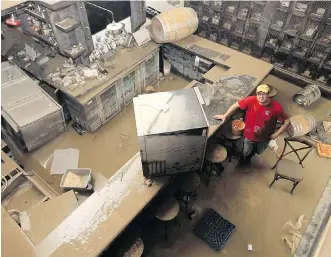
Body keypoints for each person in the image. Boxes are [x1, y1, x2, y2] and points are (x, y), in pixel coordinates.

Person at [214, 84, 290, 166]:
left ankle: (251, 156)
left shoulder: (276, 107)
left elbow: (287, 122)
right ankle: (242, 164)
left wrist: (276, 134)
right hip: (249, 136)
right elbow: (236, 105)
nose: (261, 96)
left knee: (258, 151)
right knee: (246, 152)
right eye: (259, 94)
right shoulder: (251, 100)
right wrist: (225, 115)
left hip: (265, 137)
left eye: (264, 94)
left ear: (268, 94)